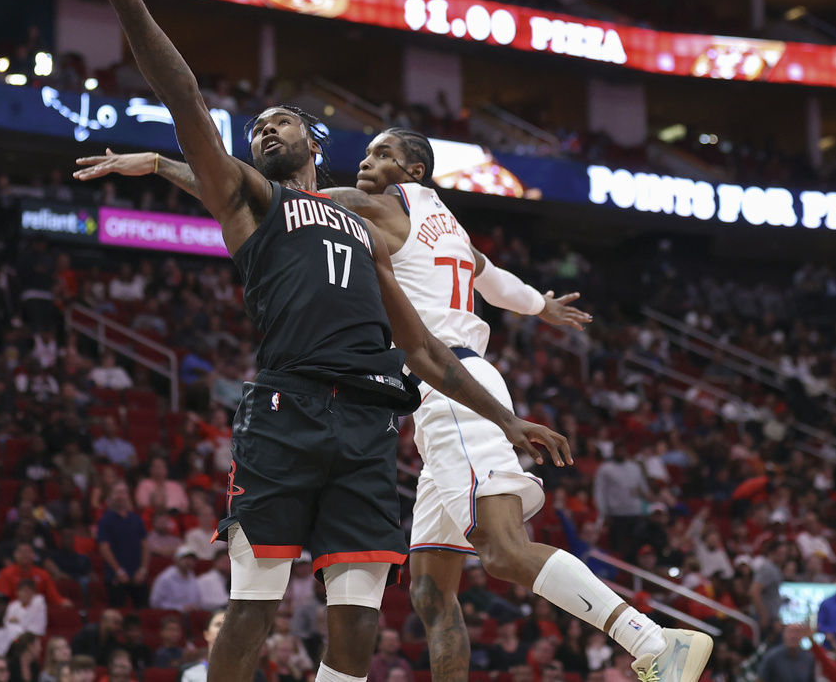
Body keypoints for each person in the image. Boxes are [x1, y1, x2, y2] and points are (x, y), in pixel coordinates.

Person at [63, 0, 567, 682]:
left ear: (313, 143)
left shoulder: (363, 228)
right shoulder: (253, 205)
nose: (265, 127)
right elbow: (186, 98)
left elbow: (425, 348)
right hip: (286, 411)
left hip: (367, 424)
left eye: (281, 120)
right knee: (254, 609)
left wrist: (506, 417)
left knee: (358, 632)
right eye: (257, 125)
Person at [112, 129, 708, 682]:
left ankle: (652, 641)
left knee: (503, 550)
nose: (365, 162)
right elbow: (496, 281)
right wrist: (541, 307)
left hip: (451, 390)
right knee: (429, 587)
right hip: (441, 399)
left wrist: (165, 164)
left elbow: (260, 197)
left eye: (379, 154)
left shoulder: (380, 206)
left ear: (413, 168)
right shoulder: (452, 229)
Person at [96, 482, 150, 608]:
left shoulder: (136, 519)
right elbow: (104, 547)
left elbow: (145, 545)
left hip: (138, 575)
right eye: (117, 492)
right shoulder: (105, 520)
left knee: (143, 611)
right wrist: (118, 571)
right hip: (116, 577)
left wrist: (143, 570)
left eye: (124, 492)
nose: (121, 496)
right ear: (111, 496)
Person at [151, 546, 203, 612]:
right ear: (176, 560)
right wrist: (179, 608)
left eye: (191, 559)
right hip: (169, 616)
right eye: (185, 558)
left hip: (190, 616)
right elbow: (155, 603)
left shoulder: (193, 577)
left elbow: (197, 600)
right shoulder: (165, 578)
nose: (188, 562)